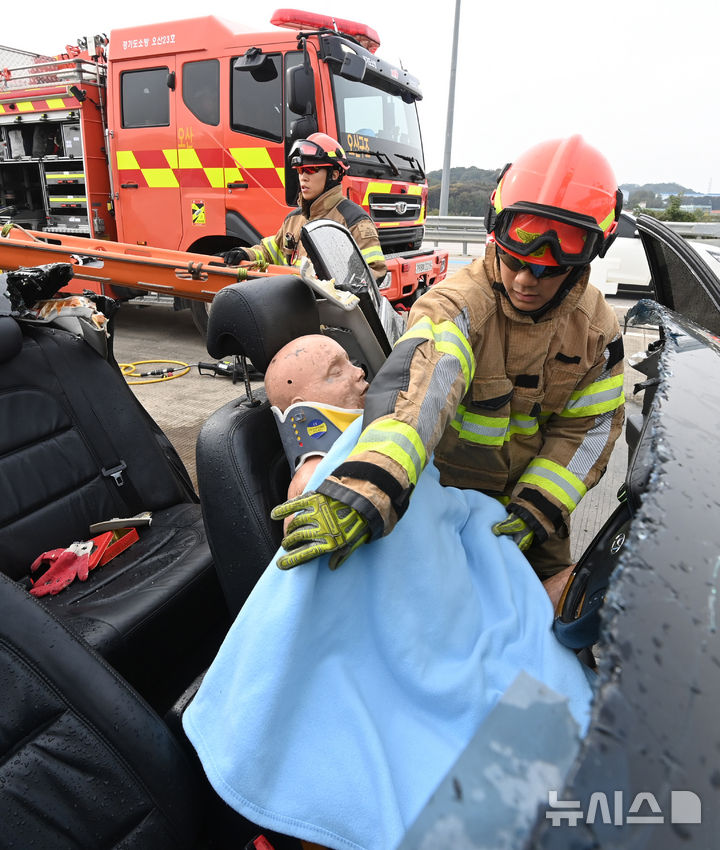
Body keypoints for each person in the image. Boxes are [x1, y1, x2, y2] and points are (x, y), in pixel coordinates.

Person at [271, 135, 626, 580]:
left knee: (559, 603)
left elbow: (588, 429)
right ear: (496, 230)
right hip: (447, 507)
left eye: (547, 270)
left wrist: (539, 507)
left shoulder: (597, 333)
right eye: (515, 260)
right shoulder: (455, 307)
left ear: (586, 258)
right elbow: (417, 395)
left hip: (533, 520)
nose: (525, 281)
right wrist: (368, 486)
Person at [222, 133, 387, 281]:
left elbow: (375, 272)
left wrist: (337, 288)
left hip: (331, 306)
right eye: (300, 170)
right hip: (296, 302)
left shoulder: (354, 221)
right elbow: (270, 252)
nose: (303, 177)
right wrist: (246, 254)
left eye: (310, 169)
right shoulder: (294, 219)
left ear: (334, 175)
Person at [265, 333, 368, 503]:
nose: (359, 372)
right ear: (302, 409)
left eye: (350, 362)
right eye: (336, 372)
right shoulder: (311, 481)